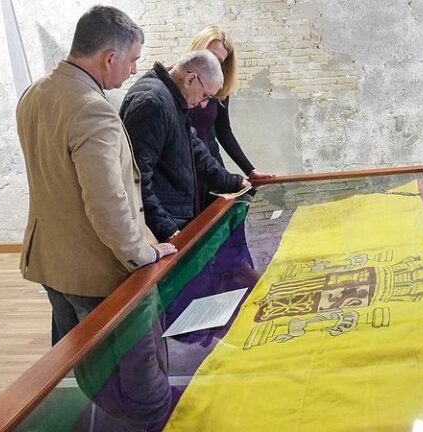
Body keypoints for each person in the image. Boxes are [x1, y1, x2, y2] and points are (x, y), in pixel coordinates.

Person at [16, 6, 176, 428]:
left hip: (54, 264)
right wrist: (144, 255)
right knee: (144, 388)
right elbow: (107, 203)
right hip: (100, 273)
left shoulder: (35, 93)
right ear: (109, 57)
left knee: (89, 371)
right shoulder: (93, 108)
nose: (134, 68)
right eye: (132, 59)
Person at [120, 50, 250, 242]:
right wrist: (168, 230)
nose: (204, 104)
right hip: (163, 223)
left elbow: (195, 149)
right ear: (190, 79)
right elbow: (137, 178)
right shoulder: (153, 102)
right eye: (205, 95)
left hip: (174, 215)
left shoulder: (171, 97)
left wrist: (232, 181)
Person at [186, 26, 275, 206]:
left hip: (211, 166)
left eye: (219, 60)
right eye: (208, 54)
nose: (213, 63)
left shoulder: (219, 88)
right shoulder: (176, 82)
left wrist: (249, 170)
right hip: (185, 169)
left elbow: (224, 132)